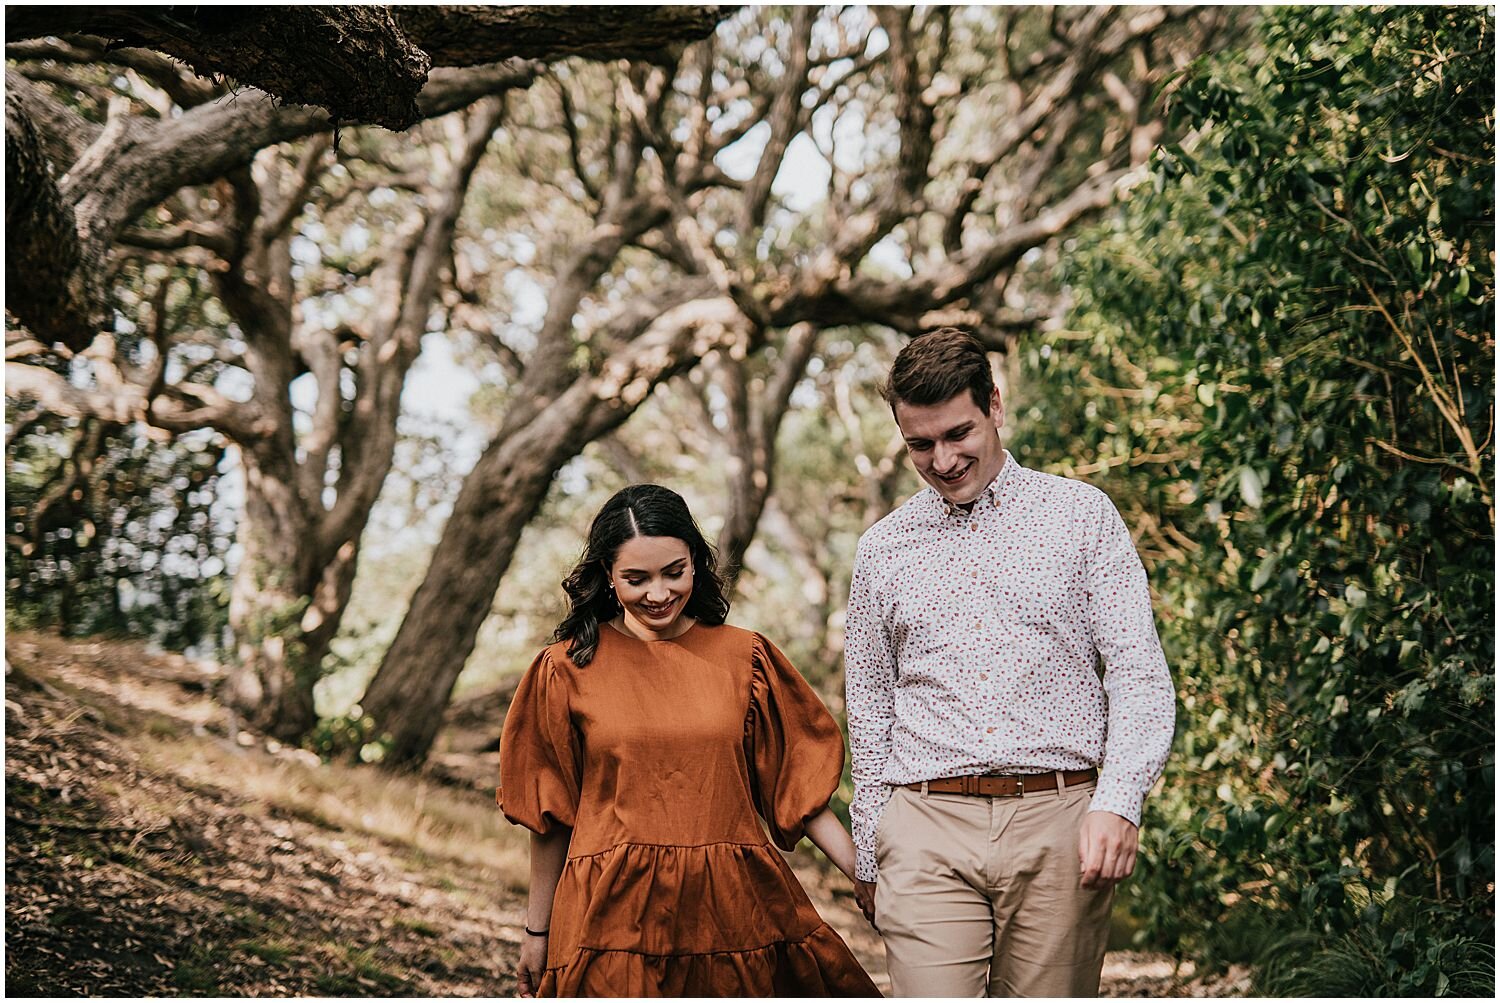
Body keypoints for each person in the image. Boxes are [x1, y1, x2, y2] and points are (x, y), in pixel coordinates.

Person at [844, 328, 1176, 997]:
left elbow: (1137, 671)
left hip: (1061, 820)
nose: (942, 459)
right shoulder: (884, 549)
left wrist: (1119, 801)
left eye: (957, 433)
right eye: (920, 443)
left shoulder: (1082, 517)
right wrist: (871, 841)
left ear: (994, 405)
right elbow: (870, 704)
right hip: (925, 823)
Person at [499, 483, 880, 998]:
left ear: (696, 563)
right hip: (609, 915)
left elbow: (797, 789)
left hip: (733, 906)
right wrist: (536, 933)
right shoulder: (564, 670)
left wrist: (864, 873)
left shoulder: (747, 658)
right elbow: (550, 819)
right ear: (607, 577)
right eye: (636, 579)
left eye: (673, 572)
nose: (658, 594)